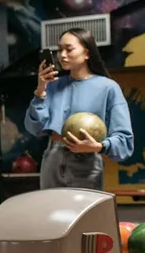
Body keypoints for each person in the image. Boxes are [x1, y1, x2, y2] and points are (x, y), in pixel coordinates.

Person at [26, 27, 133, 190]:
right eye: (59, 49)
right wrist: (40, 90)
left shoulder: (108, 88)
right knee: (51, 213)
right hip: (52, 158)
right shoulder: (52, 86)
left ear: (87, 53)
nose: (62, 55)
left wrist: (98, 147)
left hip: (87, 161)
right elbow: (35, 128)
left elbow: (124, 139)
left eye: (69, 49)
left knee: (84, 213)